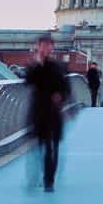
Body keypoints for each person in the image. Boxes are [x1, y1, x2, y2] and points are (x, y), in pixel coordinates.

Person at [23, 34, 68, 190]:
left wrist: (60, 96)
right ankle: (43, 175)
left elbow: (66, 88)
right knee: (41, 146)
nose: (45, 48)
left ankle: (49, 180)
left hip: (54, 113)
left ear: (52, 47)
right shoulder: (33, 65)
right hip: (38, 112)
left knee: (51, 147)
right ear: (38, 46)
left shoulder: (59, 66)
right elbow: (27, 81)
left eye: (48, 45)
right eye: (42, 45)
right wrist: (37, 63)